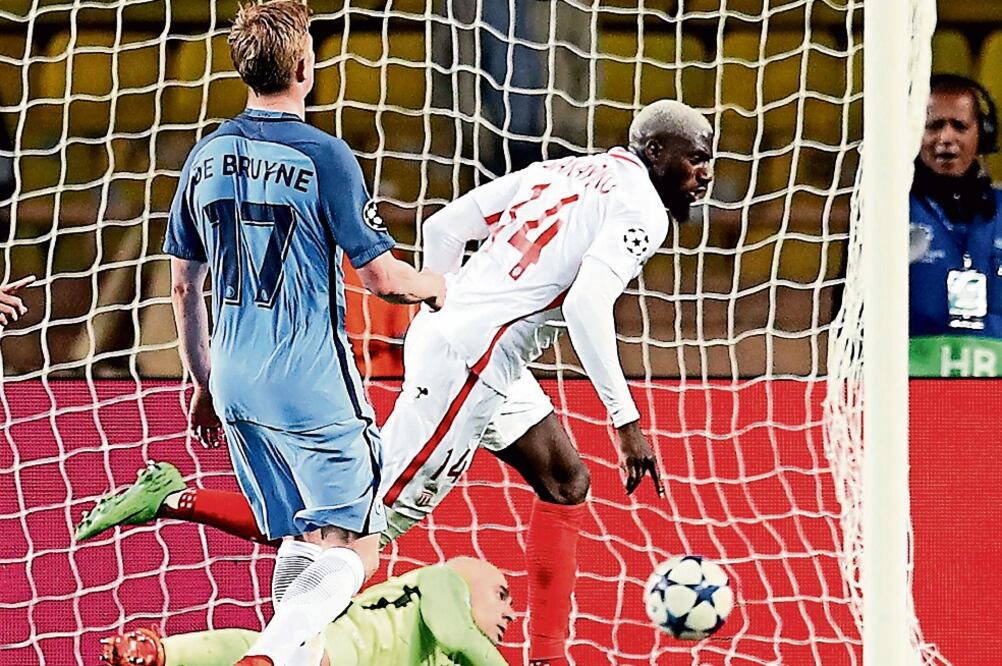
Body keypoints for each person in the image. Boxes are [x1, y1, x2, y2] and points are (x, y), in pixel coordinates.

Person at [79, 98, 713, 666]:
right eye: (696, 159)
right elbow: (586, 306)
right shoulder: (642, 209)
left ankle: (547, 658)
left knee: (566, 481)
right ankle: (176, 502)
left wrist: (444, 317)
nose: (705, 174)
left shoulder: (562, 170)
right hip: (473, 362)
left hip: (474, 346)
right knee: (357, 528)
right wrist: (626, 423)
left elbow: (443, 229)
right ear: (655, 151)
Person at [160, 1, 445, 664]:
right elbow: (384, 280)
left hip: (234, 384)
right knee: (355, 548)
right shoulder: (324, 154)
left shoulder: (204, 157)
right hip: (310, 381)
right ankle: (266, 654)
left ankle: (289, 658)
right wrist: (436, 285)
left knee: (298, 539)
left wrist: (203, 383)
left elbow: (183, 288)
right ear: (301, 67)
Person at [97, 557, 513, 666]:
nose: (511, 614)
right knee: (291, 656)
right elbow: (459, 636)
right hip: (345, 645)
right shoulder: (441, 580)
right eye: (500, 594)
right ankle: (164, 653)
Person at [910, 73, 1002, 337]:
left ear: (982, 134)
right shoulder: (889, 212)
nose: (946, 137)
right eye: (934, 126)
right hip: (911, 365)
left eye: (959, 126)